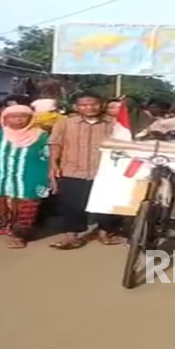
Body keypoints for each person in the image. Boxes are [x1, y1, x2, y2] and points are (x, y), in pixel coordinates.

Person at [48, 92, 122, 249]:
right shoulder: (65, 123)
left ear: (101, 105)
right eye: (84, 105)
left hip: (104, 171)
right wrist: (53, 165)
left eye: (93, 104)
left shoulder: (113, 124)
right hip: (72, 170)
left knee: (106, 204)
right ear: (76, 107)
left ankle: (105, 232)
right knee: (72, 204)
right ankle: (71, 235)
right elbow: (55, 144)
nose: (89, 107)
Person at [0, 105, 51, 248]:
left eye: (23, 116)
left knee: (27, 206)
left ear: (31, 118)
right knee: (2, 205)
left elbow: (48, 156)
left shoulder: (42, 136)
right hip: (0, 178)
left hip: (31, 177)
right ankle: (8, 227)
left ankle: (20, 236)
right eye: (13, 116)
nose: (18, 120)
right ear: (5, 118)